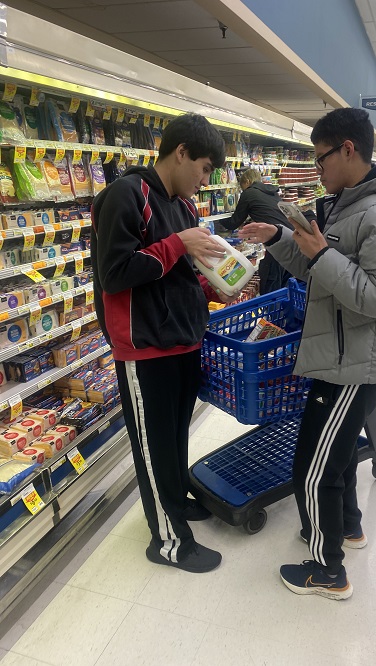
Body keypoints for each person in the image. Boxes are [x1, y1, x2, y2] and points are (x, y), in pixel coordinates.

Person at [240, 107, 376, 600]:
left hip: (355, 364)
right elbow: (321, 270)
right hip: (344, 354)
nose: (316, 168)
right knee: (336, 459)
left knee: (313, 468)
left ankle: (327, 570)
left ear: (347, 149)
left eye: (320, 157)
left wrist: (322, 254)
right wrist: (280, 237)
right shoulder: (348, 204)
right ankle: (349, 529)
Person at [91, 113, 239, 574]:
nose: (206, 178)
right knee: (154, 446)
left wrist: (219, 285)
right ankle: (169, 541)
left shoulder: (186, 207)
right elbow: (113, 273)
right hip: (145, 345)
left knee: (175, 438)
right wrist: (177, 243)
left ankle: (175, 502)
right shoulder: (126, 195)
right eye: (204, 167)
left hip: (182, 340)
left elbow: (180, 271)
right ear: (180, 153)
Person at [221, 168, 292, 293]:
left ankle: (272, 310)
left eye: (242, 187)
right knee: (284, 281)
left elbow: (234, 222)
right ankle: (281, 308)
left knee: (270, 279)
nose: (243, 190)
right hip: (290, 236)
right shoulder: (271, 192)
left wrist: (218, 220)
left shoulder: (249, 193)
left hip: (277, 242)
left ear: (247, 182)